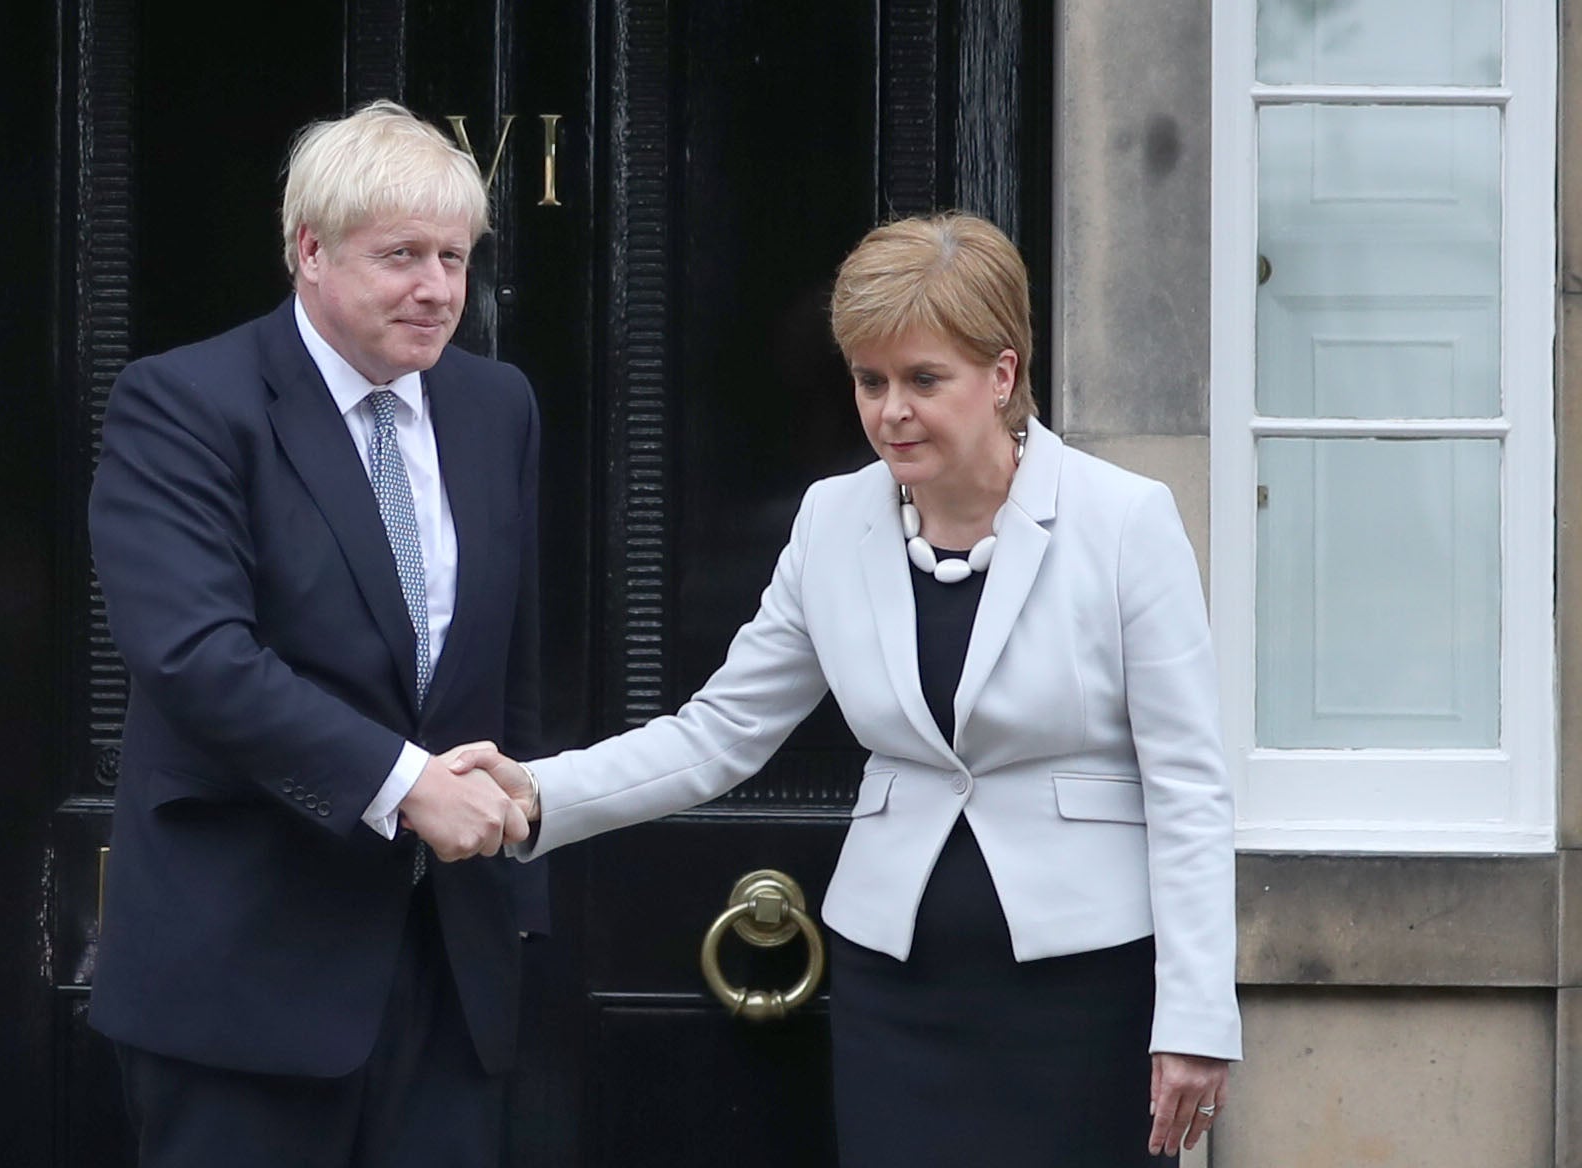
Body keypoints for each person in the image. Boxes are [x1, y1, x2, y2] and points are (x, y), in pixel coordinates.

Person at [452, 212, 1240, 1165]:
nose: (890, 411)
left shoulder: (1124, 520)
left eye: (923, 380)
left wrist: (1196, 1014)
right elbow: (720, 732)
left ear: (1001, 375)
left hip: (1085, 992)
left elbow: (1188, 784)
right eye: (871, 381)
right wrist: (538, 793)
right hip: (894, 987)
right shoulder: (833, 521)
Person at [87, 100, 544, 1168]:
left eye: (453, 256)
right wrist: (405, 784)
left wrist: (520, 876)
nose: (436, 289)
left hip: (450, 969)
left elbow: (508, 664)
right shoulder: (185, 403)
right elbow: (194, 653)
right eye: (400, 257)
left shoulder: (495, 405)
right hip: (244, 975)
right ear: (309, 251)